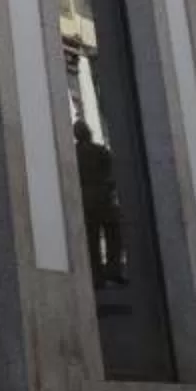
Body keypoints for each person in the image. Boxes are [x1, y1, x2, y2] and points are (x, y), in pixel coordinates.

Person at [73, 115, 126, 286]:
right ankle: (113, 270)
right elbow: (113, 173)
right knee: (113, 234)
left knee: (91, 239)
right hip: (103, 198)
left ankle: (97, 275)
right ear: (88, 133)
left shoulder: (74, 153)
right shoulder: (100, 151)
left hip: (84, 200)